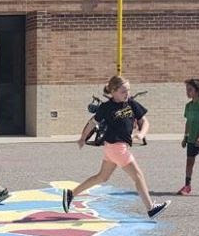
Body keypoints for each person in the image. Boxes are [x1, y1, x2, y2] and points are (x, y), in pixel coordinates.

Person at [63, 75, 167, 219]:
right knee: (138, 176)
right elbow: (92, 122)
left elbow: (144, 121)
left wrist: (141, 134)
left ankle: (71, 194)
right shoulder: (106, 107)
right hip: (116, 148)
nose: (127, 94)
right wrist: (82, 138)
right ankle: (151, 208)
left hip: (113, 148)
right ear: (113, 92)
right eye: (123, 91)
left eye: (128, 90)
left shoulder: (131, 103)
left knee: (102, 177)